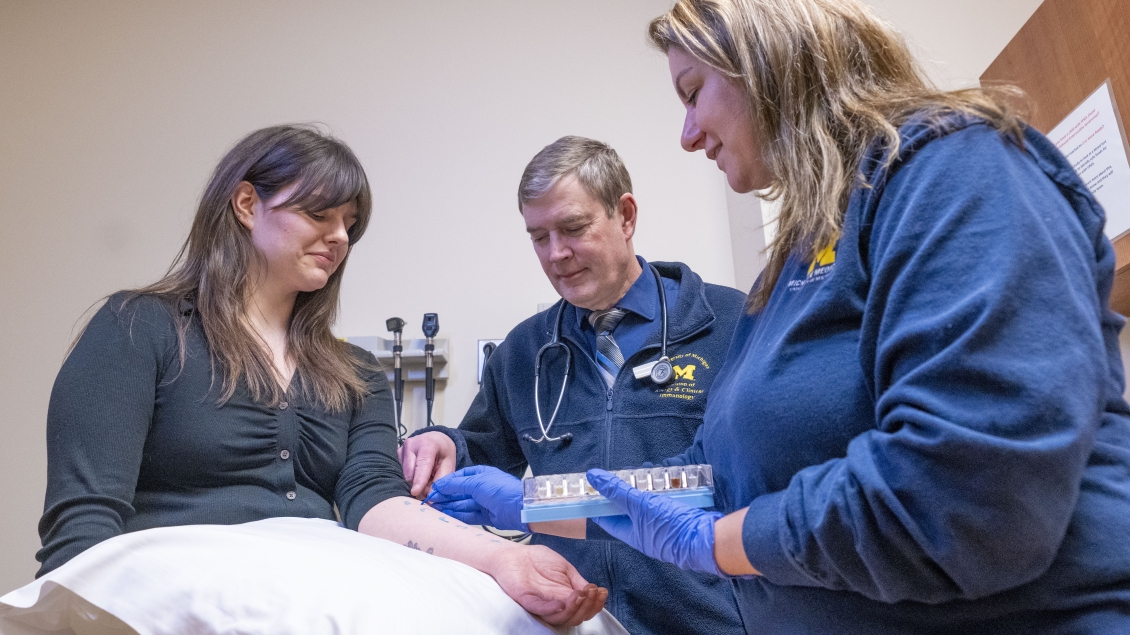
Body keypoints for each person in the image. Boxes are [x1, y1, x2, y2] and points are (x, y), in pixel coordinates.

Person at [430, 1, 1130, 633]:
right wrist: (535, 503)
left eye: (693, 92)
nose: (688, 132)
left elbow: (966, 487)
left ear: (765, 61)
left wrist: (726, 541)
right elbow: (702, 476)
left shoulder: (953, 169)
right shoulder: (797, 259)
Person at [35, 125, 606, 627]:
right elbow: (83, 521)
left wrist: (501, 559)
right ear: (245, 204)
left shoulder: (354, 373)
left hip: (308, 585)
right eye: (318, 214)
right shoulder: (140, 328)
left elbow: (375, 501)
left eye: (349, 225)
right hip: (176, 589)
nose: (339, 237)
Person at [400, 136, 748, 634]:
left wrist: (533, 502)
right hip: (572, 620)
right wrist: (443, 444)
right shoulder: (526, 352)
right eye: (539, 237)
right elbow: (481, 454)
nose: (556, 254)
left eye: (573, 228)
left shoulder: (731, 323)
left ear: (625, 216)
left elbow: (738, 477)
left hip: (704, 618)